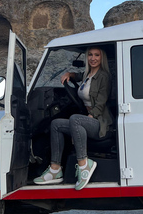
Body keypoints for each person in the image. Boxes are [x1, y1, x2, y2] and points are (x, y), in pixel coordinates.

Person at [33, 47, 113, 190]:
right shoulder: (88, 74)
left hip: (100, 123)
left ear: (102, 58)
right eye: (90, 55)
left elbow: (100, 104)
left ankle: (84, 165)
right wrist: (69, 74)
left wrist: (82, 122)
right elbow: (79, 76)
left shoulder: (104, 76)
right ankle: (55, 169)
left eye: (97, 55)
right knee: (56, 124)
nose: (93, 58)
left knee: (75, 119)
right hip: (86, 120)